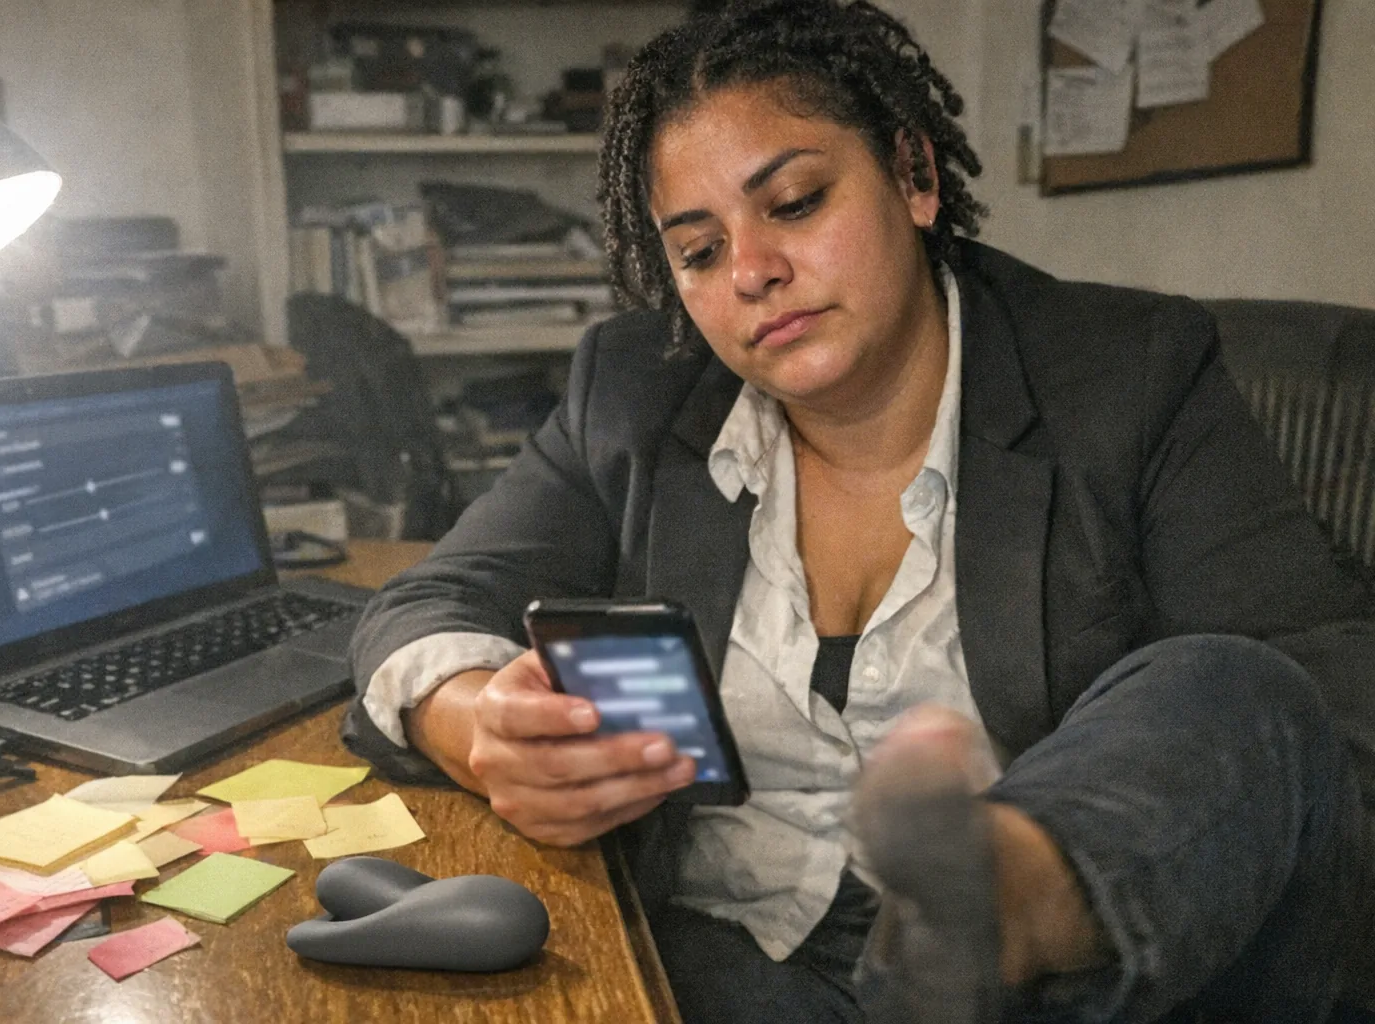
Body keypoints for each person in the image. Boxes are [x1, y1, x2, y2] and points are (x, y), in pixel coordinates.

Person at [343, 2, 1375, 1021]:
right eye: (698, 252)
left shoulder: (1129, 373)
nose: (752, 271)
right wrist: (479, 726)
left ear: (914, 175)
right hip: (728, 958)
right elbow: (425, 601)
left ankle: (990, 899)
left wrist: (1045, 864)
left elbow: (1327, 702)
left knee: (1242, 684)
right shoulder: (635, 389)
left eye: (794, 202)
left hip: (1047, 990)